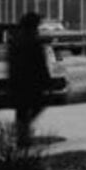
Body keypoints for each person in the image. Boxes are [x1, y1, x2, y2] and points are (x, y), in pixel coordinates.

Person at [7, 11, 51, 149]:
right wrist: (46, 79)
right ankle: (23, 133)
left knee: (22, 110)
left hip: (19, 82)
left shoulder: (16, 39)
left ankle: (22, 133)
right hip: (31, 82)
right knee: (36, 105)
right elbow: (39, 63)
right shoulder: (32, 40)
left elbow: (12, 62)